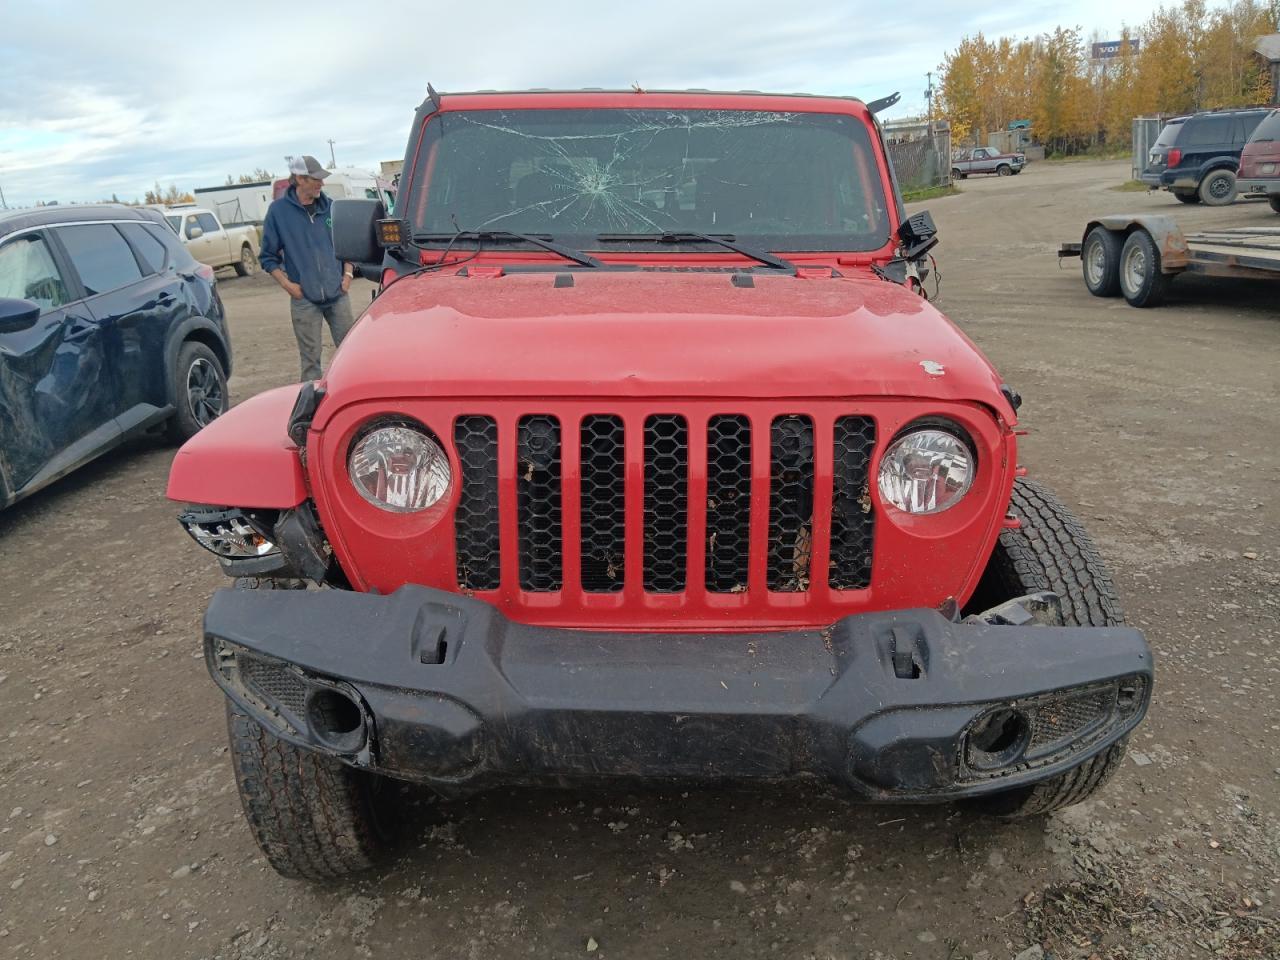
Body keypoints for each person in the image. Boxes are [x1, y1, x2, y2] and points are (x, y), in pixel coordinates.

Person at [259, 155, 355, 381]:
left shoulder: (331, 207)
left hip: (338, 294)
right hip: (304, 299)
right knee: (310, 361)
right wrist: (287, 285)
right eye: (316, 179)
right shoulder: (278, 212)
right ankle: (311, 410)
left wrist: (348, 274)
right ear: (300, 179)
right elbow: (267, 256)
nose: (321, 184)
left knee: (350, 352)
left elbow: (349, 244)